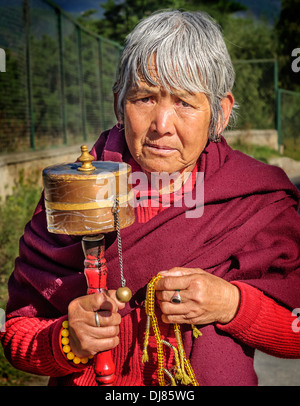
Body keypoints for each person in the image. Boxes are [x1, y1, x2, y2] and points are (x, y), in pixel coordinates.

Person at [1, 10, 300, 386]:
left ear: (220, 114)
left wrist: (232, 304)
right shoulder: (75, 191)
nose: (161, 125)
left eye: (185, 103)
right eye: (144, 98)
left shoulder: (255, 196)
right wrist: (67, 341)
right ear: (118, 105)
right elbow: (16, 334)